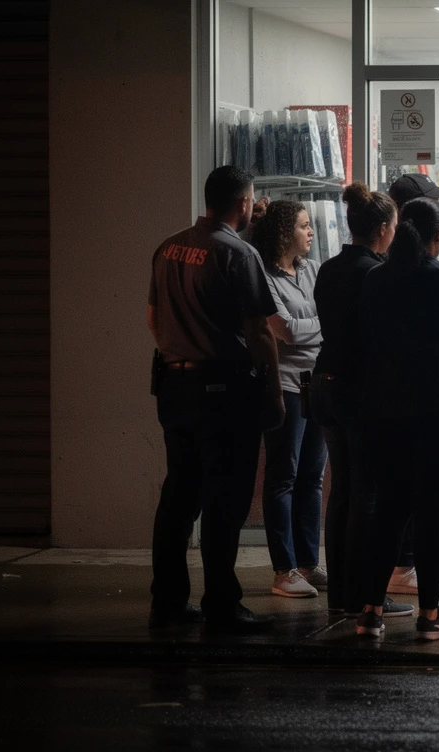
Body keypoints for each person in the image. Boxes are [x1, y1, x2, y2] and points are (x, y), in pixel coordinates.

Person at [146, 165, 284, 634]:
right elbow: (260, 331)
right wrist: (272, 390)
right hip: (222, 391)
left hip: (173, 386)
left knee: (179, 496)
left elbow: (152, 318)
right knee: (225, 500)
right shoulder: (237, 254)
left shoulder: (168, 248)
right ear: (243, 203)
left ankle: (166, 602)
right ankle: (222, 604)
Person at [355, 198, 439, 640]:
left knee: (390, 510)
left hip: (385, 412)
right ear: (438, 236)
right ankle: (431, 616)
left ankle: (370, 613)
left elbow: (366, 338)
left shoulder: (376, 280)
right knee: (433, 512)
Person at [310, 182, 412, 620]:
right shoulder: (379, 274)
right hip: (361, 390)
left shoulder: (329, 269)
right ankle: (364, 595)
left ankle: (340, 594)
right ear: (386, 229)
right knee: (368, 494)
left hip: (325, 383)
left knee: (342, 491)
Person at [251, 201, 327, 598]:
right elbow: (286, 331)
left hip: (317, 385)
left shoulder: (313, 271)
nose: (311, 231)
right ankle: (283, 569)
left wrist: (313, 326)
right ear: (284, 234)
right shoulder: (264, 278)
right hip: (285, 385)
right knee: (283, 476)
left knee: (312, 478)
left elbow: (304, 328)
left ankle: (307, 564)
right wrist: (323, 324)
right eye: (303, 226)